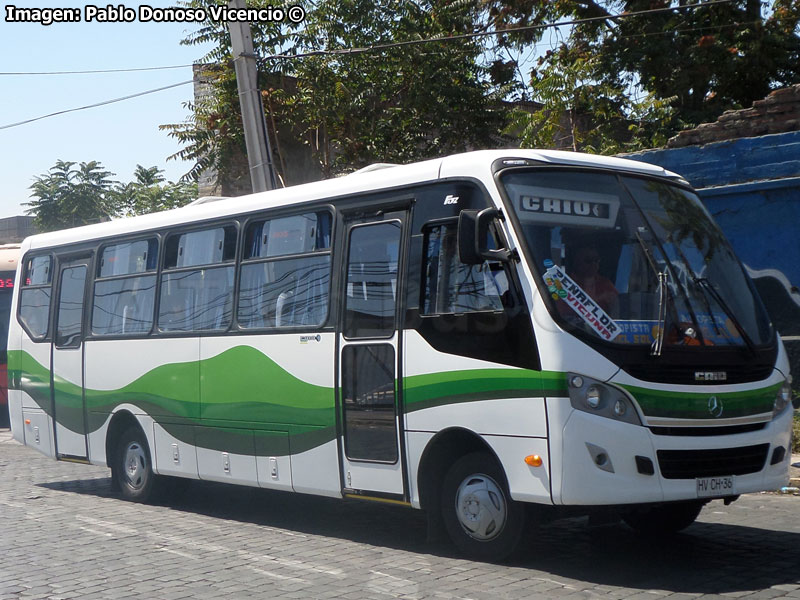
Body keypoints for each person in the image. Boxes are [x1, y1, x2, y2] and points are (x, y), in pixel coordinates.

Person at [567, 244, 618, 315]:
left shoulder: (605, 283)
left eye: (596, 260)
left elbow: (618, 307)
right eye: (588, 260)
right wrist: (600, 298)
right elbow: (563, 314)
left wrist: (613, 302)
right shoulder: (566, 283)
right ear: (577, 262)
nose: (593, 264)